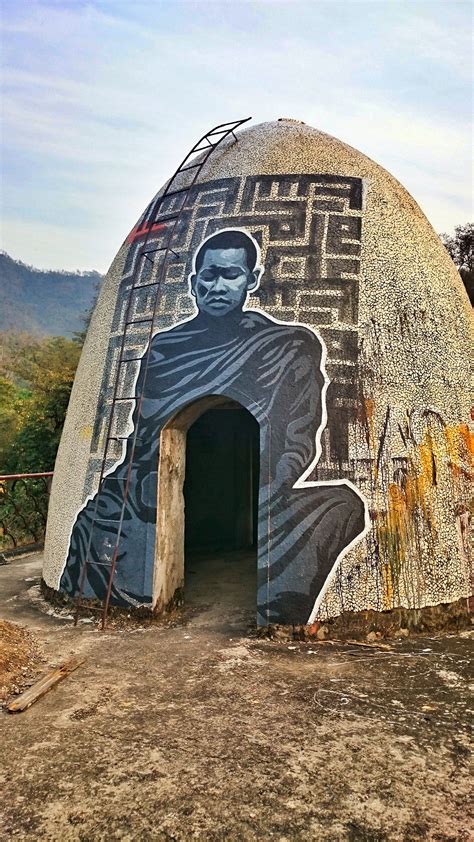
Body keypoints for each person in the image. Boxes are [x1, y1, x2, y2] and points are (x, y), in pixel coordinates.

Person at [60, 228, 367, 624]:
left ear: (252, 280)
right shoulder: (164, 349)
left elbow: (297, 441)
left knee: (342, 507)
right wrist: (142, 483)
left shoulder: (287, 344)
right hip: (146, 484)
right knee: (93, 518)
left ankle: (279, 614)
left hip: (274, 488)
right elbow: (144, 434)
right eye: (208, 276)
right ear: (193, 282)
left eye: (230, 275)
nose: (217, 286)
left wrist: (269, 491)